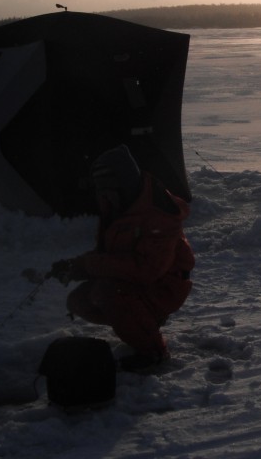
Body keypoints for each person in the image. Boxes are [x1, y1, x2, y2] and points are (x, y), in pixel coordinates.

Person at [51, 144, 195, 373]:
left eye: (105, 189)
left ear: (120, 184)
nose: (102, 196)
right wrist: (76, 267)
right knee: (79, 300)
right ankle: (141, 322)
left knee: (109, 295)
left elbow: (147, 269)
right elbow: (109, 257)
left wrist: (90, 266)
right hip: (141, 281)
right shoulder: (120, 208)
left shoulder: (158, 214)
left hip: (167, 284)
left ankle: (153, 352)